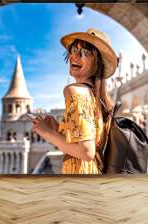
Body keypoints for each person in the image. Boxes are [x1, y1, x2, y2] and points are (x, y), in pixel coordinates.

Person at [31, 28, 118, 174]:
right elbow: (87, 142)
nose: (74, 56)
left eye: (84, 52)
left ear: (98, 63)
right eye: (73, 50)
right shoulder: (97, 98)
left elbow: (86, 152)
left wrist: (47, 133)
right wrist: (58, 129)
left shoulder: (74, 91)